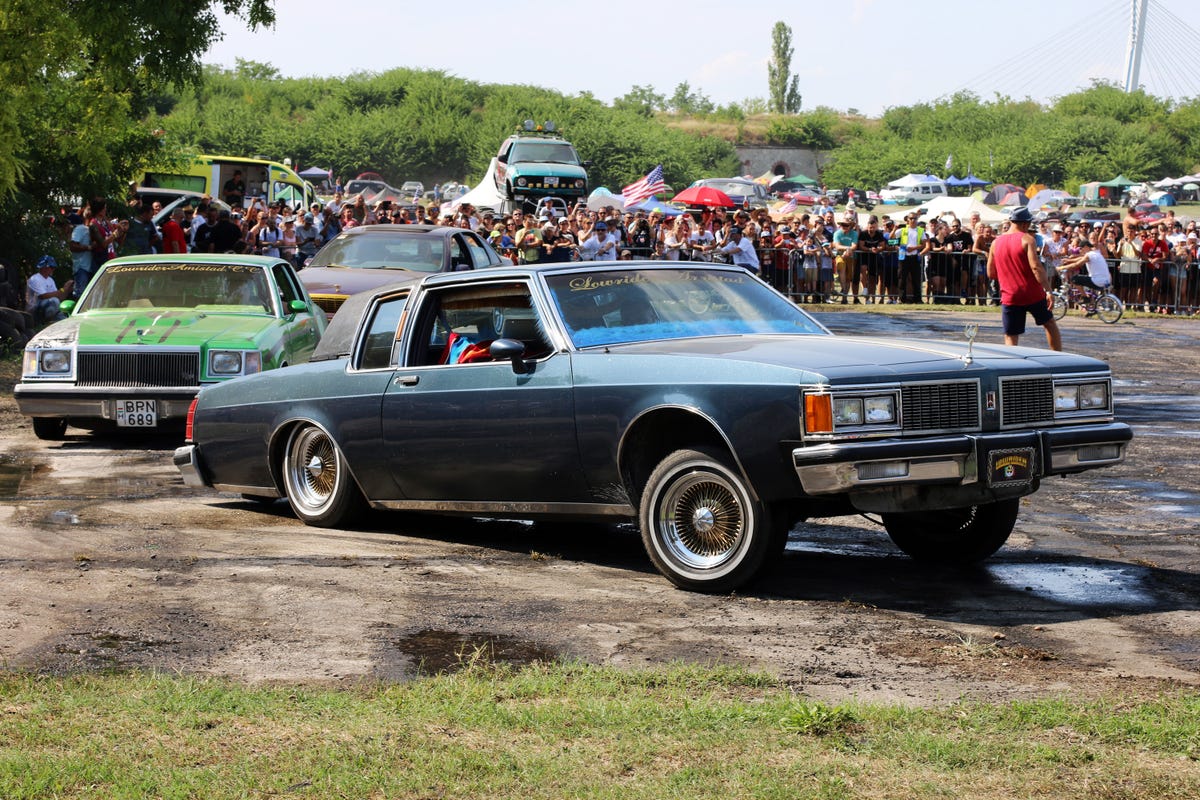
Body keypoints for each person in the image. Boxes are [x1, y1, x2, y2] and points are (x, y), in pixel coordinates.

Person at [986, 207, 1061, 350]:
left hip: (1009, 295)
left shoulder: (996, 242)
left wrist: (1007, 276)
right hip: (1031, 292)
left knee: (1011, 334)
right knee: (1049, 323)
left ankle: (1012, 366)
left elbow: (991, 273)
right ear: (1025, 224)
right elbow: (1036, 267)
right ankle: (1059, 356)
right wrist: (1048, 290)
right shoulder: (1027, 239)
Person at [25, 256, 74, 324]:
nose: (53, 269)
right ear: (44, 267)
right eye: (51, 267)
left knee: (65, 320)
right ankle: (45, 322)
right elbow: (43, 296)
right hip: (35, 311)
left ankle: (55, 321)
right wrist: (63, 289)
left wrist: (67, 290)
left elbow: (59, 298)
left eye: (54, 267)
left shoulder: (50, 280)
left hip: (47, 307)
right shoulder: (35, 279)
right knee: (54, 301)